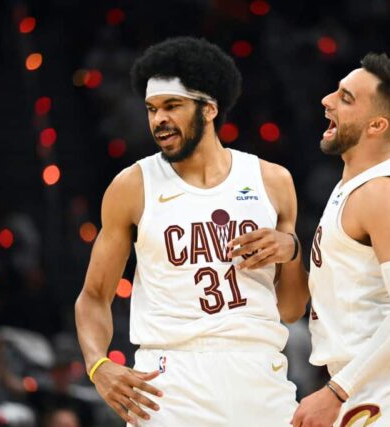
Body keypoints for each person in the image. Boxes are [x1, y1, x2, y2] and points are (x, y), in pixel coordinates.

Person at [74, 36, 308, 427]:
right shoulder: (132, 186)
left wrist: (293, 250)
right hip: (170, 383)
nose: (158, 120)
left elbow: (291, 308)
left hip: (259, 377)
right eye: (151, 109)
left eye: (172, 106)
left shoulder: (272, 180)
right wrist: (99, 365)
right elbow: (93, 296)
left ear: (210, 108)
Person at [232, 53, 390, 426]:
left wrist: (336, 391)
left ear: (377, 125)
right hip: (365, 381)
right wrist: (292, 251)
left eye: (346, 98)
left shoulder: (386, 192)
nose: (327, 100)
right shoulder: (351, 184)